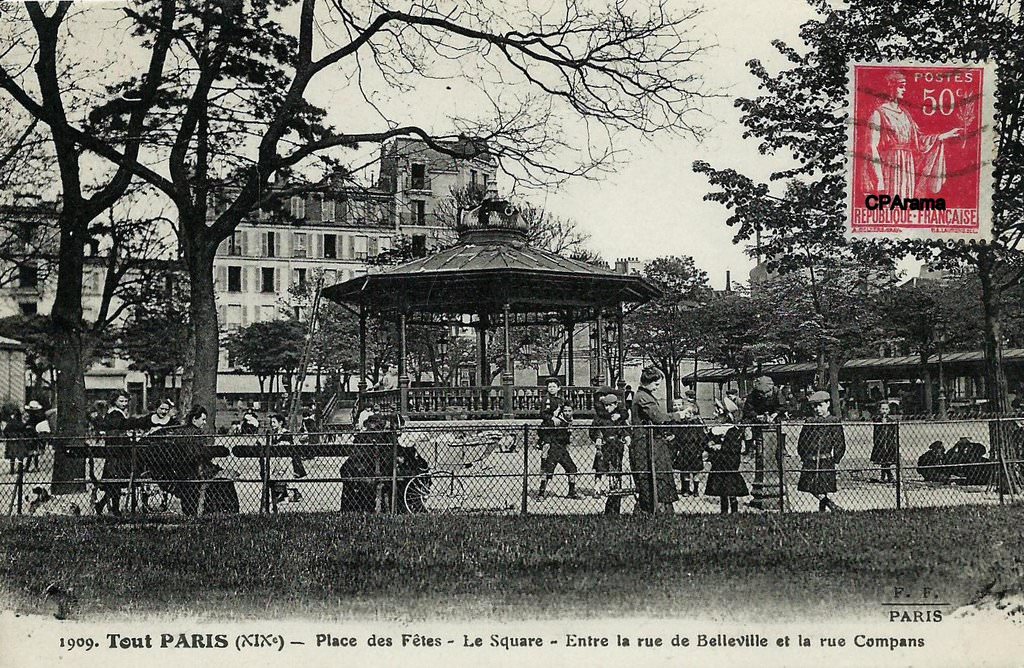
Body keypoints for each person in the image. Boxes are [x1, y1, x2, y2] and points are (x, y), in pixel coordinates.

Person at [865, 71, 961, 200]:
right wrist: (879, 178)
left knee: (906, 202)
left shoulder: (905, 114)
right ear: (890, 87)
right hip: (890, 164)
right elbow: (871, 147)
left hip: (907, 165)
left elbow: (918, 140)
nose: (904, 90)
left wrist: (942, 136)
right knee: (891, 202)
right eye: (901, 86)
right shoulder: (878, 114)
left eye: (904, 86)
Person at [629, 366, 679, 513]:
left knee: (656, 475)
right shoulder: (643, 397)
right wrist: (678, 416)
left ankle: (655, 509)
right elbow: (658, 418)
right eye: (656, 384)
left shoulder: (645, 395)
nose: (657, 388)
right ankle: (652, 509)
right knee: (653, 476)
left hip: (651, 442)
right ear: (647, 382)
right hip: (646, 444)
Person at [797, 391, 847, 512]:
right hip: (811, 458)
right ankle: (830, 504)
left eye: (820, 405)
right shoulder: (810, 421)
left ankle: (822, 510)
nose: (817, 409)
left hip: (826, 458)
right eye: (814, 406)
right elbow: (802, 440)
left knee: (822, 486)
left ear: (828, 404)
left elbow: (839, 441)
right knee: (809, 485)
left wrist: (837, 457)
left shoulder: (833, 421)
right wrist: (803, 455)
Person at [536, 377, 579, 499]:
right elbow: (543, 414)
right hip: (550, 434)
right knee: (547, 465)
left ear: (558, 388)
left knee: (571, 468)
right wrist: (552, 418)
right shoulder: (546, 400)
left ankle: (572, 491)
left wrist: (566, 420)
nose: (551, 389)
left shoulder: (561, 400)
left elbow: (566, 414)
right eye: (549, 387)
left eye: (554, 386)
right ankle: (541, 492)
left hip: (561, 437)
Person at [705, 399, 748, 514]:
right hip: (718, 462)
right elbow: (706, 442)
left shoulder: (734, 431)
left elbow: (734, 447)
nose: (715, 415)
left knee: (730, 486)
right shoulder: (714, 430)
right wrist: (709, 445)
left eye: (718, 412)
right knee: (721, 487)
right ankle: (723, 510)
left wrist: (721, 447)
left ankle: (734, 509)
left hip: (729, 461)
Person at [589, 390, 628, 513]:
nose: (607, 408)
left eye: (610, 405)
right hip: (604, 445)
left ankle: (615, 487)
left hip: (616, 445)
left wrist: (626, 436)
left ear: (616, 404)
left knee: (616, 466)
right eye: (606, 405)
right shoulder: (600, 417)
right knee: (600, 466)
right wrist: (597, 438)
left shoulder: (618, 417)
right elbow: (594, 429)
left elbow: (624, 429)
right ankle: (597, 487)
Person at [95, 391, 133, 515]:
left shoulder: (116, 413)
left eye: (126, 401)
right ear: (114, 401)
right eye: (121, 401)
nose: (124, 403)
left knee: (114, 481)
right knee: (115, 480)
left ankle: (101, 505)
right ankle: (115, 509)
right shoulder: (115, 414)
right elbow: (117, 432)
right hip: (117, 451)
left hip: (117, 451)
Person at [669, 399, 705, 497]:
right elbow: (679, 437)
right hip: (685, 450)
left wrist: (700, 450)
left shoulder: (697, 424)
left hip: (695, 450)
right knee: (685, 471)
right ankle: (686, 489)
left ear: (694, 413)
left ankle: (696, 490)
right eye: (687, 413)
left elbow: (702, 439)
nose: (688, 415)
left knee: (696, 472)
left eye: (690, 413)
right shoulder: (683, 424)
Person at [870, 400, 899, 483]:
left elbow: (893, 433)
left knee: (887, 460)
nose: (884, 411)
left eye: (886, 409)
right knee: (883, 459)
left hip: (889, 443)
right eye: (883, 409)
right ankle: (888, 476)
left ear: (889, 410)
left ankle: (884, 475)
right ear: (880, 410)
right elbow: (876, 432)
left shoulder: (891, 421)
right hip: (880, 443)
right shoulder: (877, 420)